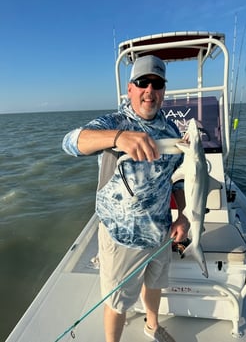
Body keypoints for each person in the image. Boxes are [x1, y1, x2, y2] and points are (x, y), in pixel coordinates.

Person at [62, 55, 189, 342]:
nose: (150, 90)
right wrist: (119, 138)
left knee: (154, 284)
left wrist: (182, 215)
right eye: (142, 82)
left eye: (156, 84)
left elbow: (177, 179)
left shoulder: (170, 130)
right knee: (117, 303)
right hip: (123, 237)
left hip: (160, 231)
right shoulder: (114, 122)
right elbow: (70, 141)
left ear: (163, 91)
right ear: (130, 89)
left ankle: (152, 326)